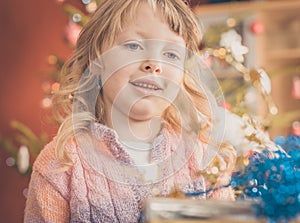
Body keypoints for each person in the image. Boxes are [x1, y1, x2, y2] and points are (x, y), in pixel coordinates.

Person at [24, 0, 237, 222]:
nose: (154, 64)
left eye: (171, 54)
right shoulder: (60, 165)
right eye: (134, 45)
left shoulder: (205, 161)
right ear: (96, 60)